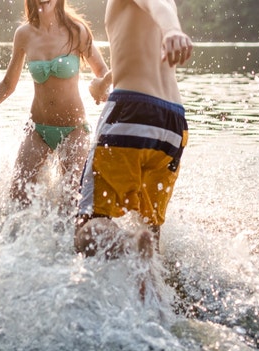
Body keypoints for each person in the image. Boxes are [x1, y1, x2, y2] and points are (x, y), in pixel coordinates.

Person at [0, 0, 109, 207]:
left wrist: (101, 88)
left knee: (71, 202)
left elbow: (103, 72)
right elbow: (7, 84)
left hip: (74, 130)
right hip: (38, 130)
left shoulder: (77, 31)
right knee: (17, 198)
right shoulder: (24, 34)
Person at [74, 0, 193, 259]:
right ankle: (151, 286)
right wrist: (104, 81)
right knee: (150, 226)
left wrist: (173, 30)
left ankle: (129, 246)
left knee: (87, 228)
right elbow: (137, 48)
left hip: (132, 112)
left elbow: (158, 3)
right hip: (172, 124)